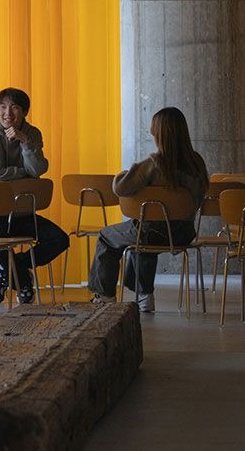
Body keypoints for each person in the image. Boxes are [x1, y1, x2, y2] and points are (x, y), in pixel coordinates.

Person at [88, 106, 209, 313]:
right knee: (142, 239)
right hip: (184, 233)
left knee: (108, 236)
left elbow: (120, 188)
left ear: (159, 133)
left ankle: (105, 295)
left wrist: (125, 172)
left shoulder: (154, 163)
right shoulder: (196, 162)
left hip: (151, 232)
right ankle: (144, 295)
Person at [0, 86, 70, 304]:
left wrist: (25, 142)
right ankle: (23, 281)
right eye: (3, 107)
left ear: (24, 112)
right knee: (0, 239)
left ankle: (11, 267)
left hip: (22, 212)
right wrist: (23, 173)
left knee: (59, 239)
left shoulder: (32, 134)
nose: (8, 113)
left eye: (14, 108)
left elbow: (36, 170)